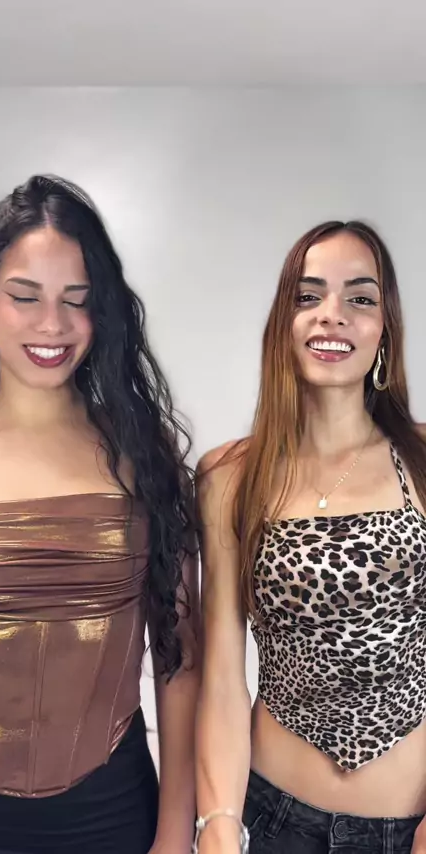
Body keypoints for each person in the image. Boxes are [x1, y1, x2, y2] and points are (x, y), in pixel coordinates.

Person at [0, 174, 199, 854]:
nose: (52, 325)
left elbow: (180, 660)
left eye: (77, 301)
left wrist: (176, 833)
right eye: (25, 296)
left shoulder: (144, 455)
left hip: (115, 817)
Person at [195, 220, 426, 854]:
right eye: (309, 295)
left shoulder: (422, 461)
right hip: (273, 821)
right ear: (285, 323)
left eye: (360, 297)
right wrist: (217, 824)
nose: (332, 314)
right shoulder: (229, 477)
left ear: (385, 329)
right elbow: (222, 676)